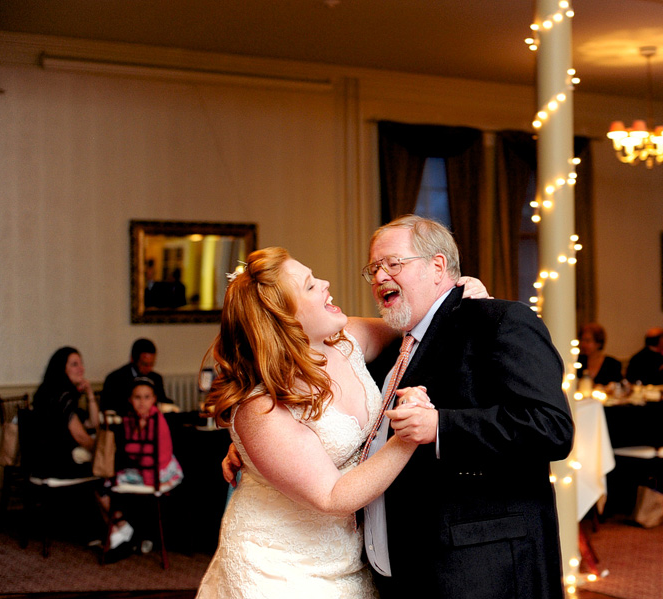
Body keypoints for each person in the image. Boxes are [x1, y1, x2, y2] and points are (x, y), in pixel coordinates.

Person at [199, 246, 489, 598]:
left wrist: (460, 297)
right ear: (283, 318)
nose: (325, 283)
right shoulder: (260, 408)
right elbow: (332, 495)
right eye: (309, 286)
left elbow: (416, 325)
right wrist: (409, 434)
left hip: (351, 556)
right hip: (278, 566)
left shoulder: (347, 339)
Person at [358, 216, 573, 598]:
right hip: (403, 569)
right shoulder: (391, 349)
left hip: (481, 570)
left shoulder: (500, 321)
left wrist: (441, 426)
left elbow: (551, 427)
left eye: (392, 263)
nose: (379, 277)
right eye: (373, 268)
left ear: (438, 266)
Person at [101, 377, 184, 559]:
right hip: (145, 469)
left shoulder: (157, 420)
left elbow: (149, 456)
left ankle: (122, 530)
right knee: (102, 485)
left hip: (159, 472)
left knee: (104, 486)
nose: (142, 402)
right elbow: (132, 453)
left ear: (154, 399)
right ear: (130, 399)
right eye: (137, 397)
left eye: (146, 397)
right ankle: (121, 528)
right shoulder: (130, 419)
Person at [30, 346, 101, 479]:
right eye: (74, 364)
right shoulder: (61, 395)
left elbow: (93, 423)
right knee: (107, 469)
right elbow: (80, 436)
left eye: (81, 364)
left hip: (44, 463)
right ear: (61, 368)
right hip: (58, 464)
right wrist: (102, 451)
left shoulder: (56, 391)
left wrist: (90, 393)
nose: (81, 369)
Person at [102, 338, 171, 414]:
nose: (149, 368)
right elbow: (109, 406)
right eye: (144, 364)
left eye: (151, 364)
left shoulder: (156, 378)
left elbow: (162, 402)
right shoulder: (115, 378)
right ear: (132, 359)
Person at [578, 322, 623, 386]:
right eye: (582, 340)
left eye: (587, 341)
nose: (583, 344)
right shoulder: (578, 362)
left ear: (598, 343)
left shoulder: (613, 364)